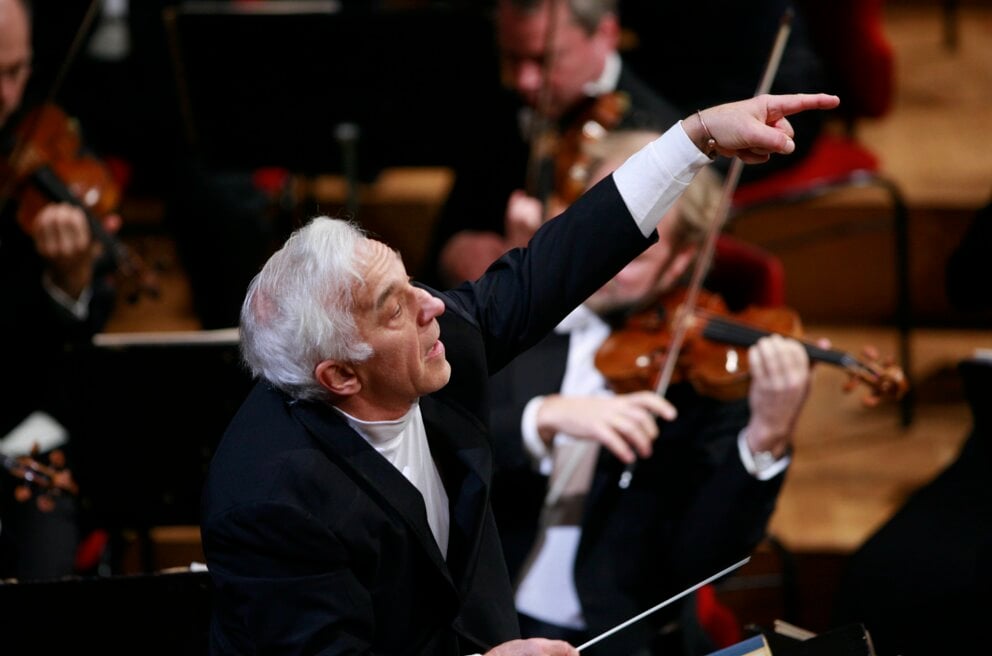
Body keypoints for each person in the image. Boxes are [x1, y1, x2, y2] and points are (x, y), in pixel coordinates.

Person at [200, 90, 838, 655]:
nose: (433, 305)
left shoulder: (429, 342)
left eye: (408, 279)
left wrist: (693, 138)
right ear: (340, 375)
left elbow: (557, 260)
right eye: (394, 307)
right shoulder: (270, 501)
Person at [486, 129, 813, 655]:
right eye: (598, 235)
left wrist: (766, 437)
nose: (606, 262)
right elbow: (434, 444)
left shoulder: (705, 378)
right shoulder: (513, 314)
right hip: (486, 618)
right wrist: (541, 418)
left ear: (682, 261)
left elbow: (704, 557)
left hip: (616, 635)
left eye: (637, 253)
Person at [422, 0, 683, 288]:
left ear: (606, 34)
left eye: (544, 60)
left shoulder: (659, 134)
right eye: (511, 57)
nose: (525, 81)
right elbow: (452, 227)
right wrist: (455, 252)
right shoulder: (497, 107)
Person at [0, 0, 120, 580]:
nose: (7, 97)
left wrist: (70, 283)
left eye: (16, 71)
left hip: (22, 436)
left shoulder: (45, 141)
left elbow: (81, 333)